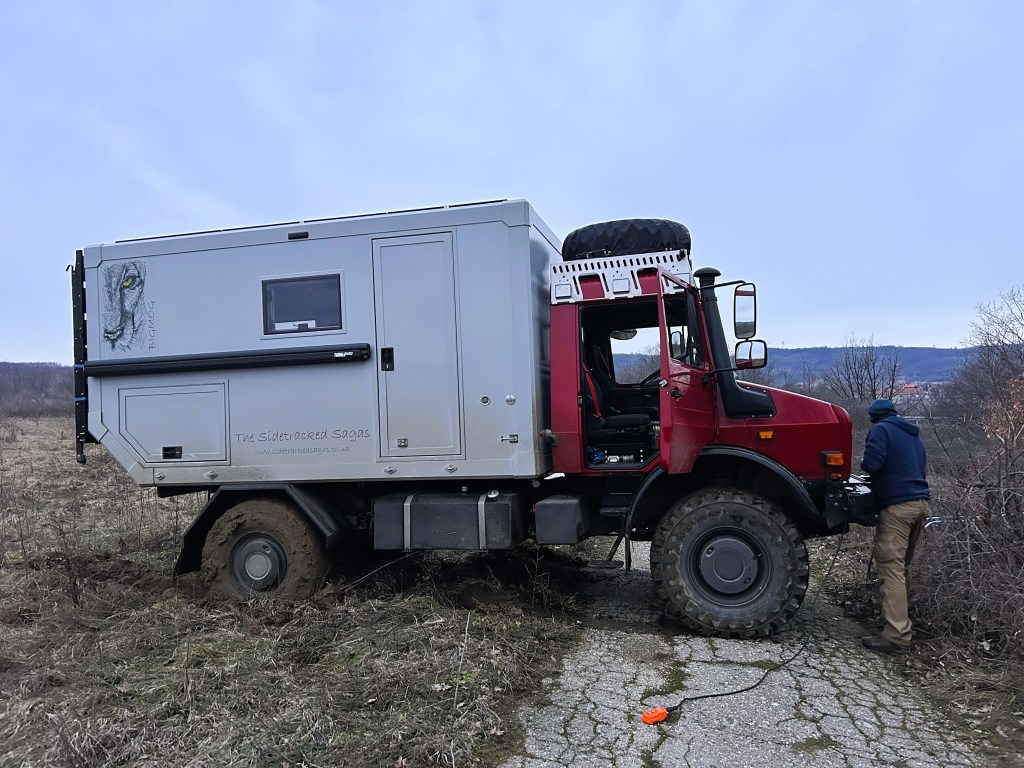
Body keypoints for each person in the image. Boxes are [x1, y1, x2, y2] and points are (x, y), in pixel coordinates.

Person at [860, 398, 930, 654]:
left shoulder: (881, 430)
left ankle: (897, 635)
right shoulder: (912, 434)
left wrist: (864, 463)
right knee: (901, 568)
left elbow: (872, 464)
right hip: (920, 504)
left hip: (898, 507)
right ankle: (900, 623)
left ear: (873, 417)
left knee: (891, 569)